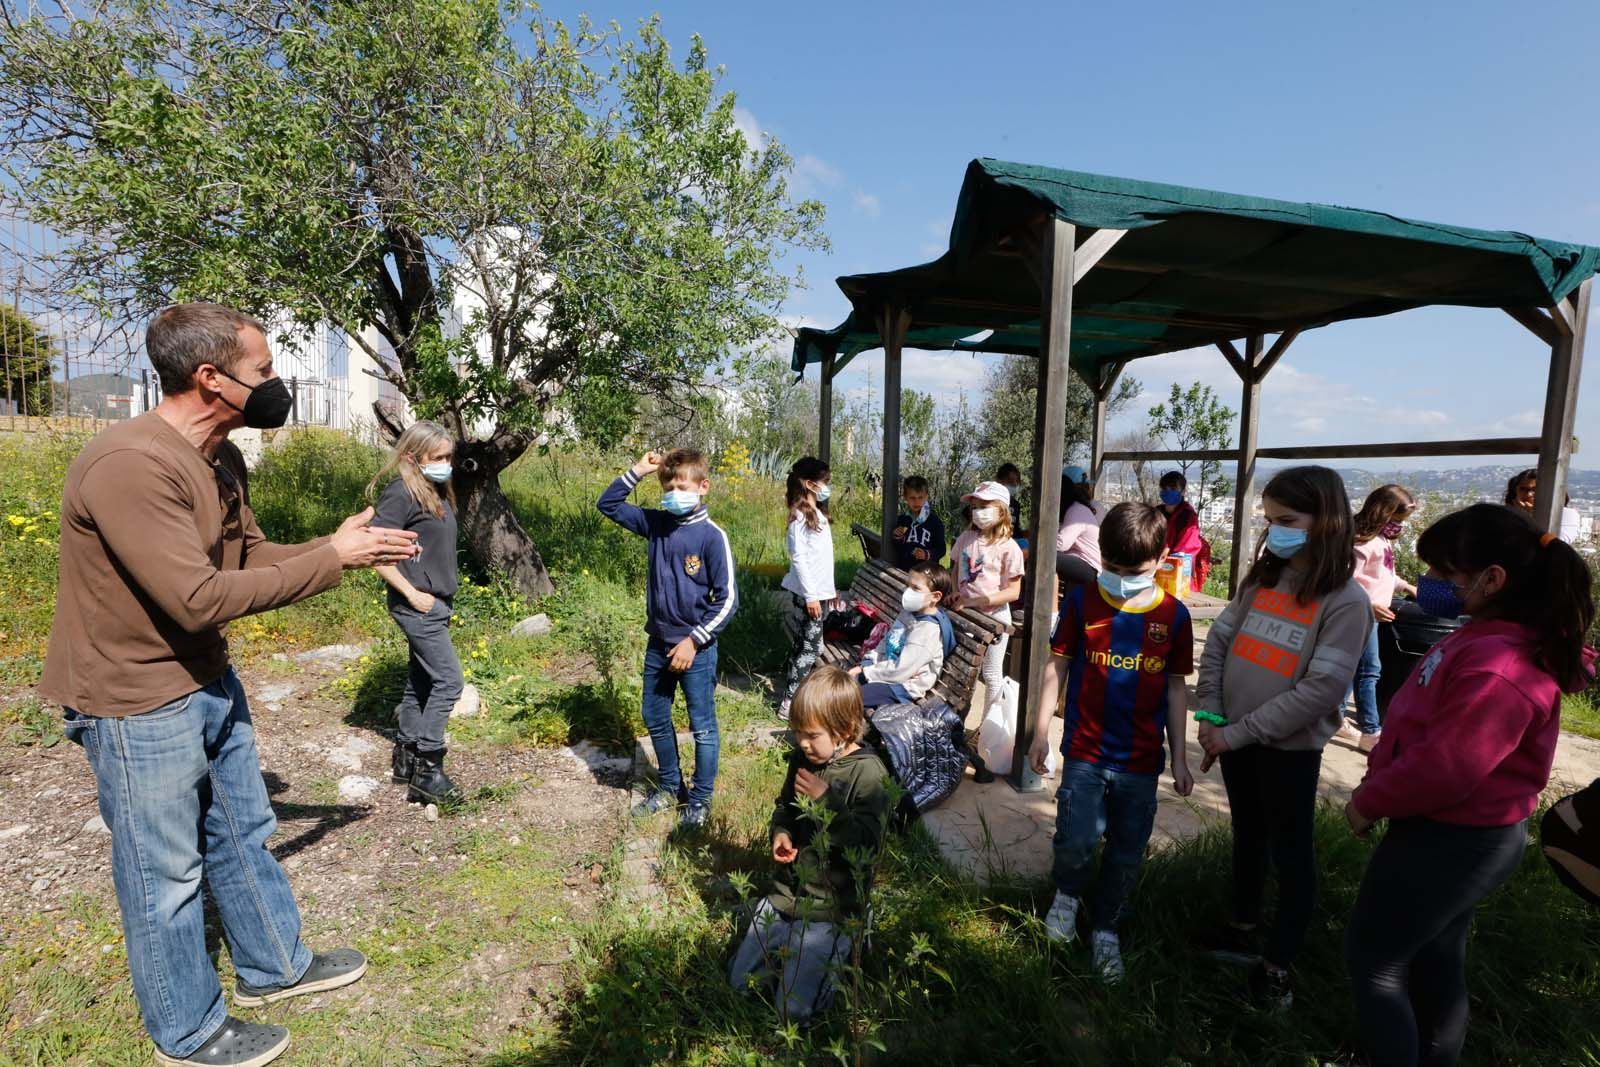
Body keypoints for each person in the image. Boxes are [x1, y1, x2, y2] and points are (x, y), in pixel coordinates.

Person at [44, 303, 417, 1067]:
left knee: (243, 830)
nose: (277, 384)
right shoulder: (130, 466)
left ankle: (274, 966)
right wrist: (332, 559)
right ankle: (186, 1029)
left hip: (206, 676)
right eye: (265, 371)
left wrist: (340, 547)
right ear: (209, 378)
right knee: (165, 871)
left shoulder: (221, 460)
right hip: (136, 698)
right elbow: (196, 596)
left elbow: (243, 560)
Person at [1343, 504, 1594, 1067]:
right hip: (1452, 833)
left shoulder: (1500, 667)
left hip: (1453, 839)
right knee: (1434, 956)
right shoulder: (1484, 636)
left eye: (1443, 574)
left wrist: (1369, 801)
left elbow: (1449, 766)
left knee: (1375, 960)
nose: (1430, 585)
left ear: (1492, 578)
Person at [1193, 465, 1370, 1011]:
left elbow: (1319, 693)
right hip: (1235, 742)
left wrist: (1237, 733)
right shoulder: (1261, 581)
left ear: (1328, 521)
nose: (1276, 532)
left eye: (1287, 520)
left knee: (1293, 857)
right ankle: (1241, 925)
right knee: (1248, 833)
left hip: (1285, 751)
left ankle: (1277, 968)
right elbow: (1219, 644)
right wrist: (1211, 715)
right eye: (1269, 521)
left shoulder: (1344, 602)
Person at [1026, 503, 1195, 981]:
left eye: (1133, 570)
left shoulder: (1173, 616)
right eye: (1113, 568)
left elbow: (1176, 688)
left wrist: (1180, 758)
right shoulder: (1083, 602)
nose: (1120, 578)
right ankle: (1067, 895)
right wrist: (1041, 732)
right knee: (1076, 839)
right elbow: (1056, 666)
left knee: (1126, 849)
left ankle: (1107, 927)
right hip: (1084, 751)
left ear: (1162, 557)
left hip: (1141, 763)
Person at [728, 666, 892, 1024]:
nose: (802, 742)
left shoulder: (868, 775)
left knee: (793, 1011)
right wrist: (781, 834)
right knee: (739, 984)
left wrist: (827, 802)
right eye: (798, 731)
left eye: (811, 735)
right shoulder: (804, 758)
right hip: (788, 893)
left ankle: (850, 941)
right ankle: (790, 952)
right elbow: (785, 808)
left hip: (833, 905)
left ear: (845, 730)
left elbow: (867, 843)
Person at [598, 449, 738, 828]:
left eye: (683, 485)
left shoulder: (712, 537)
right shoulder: (657, 524)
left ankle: (700, 800)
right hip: (658, 644)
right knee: (655, 716)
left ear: (703, 487)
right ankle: (670, 787)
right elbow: (608, 504)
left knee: (702, 726)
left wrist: (694, 641)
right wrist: (639, 471)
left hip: (696, 648)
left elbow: (727, 601)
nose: (675, 491)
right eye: (669, 485)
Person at [369, 420, 465, 804]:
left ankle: (406, 758)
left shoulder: (435, 490)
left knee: (421, 682)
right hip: (419, 604)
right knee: (450, 682)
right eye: (437, 457)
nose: (445, 463)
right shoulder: (402, 493)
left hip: (435, 602)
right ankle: (429, 767)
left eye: (448, 456)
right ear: (413, 457)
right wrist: (412, 593)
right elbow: (375, 552)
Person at [1339, 485, 1419, 752]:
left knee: (1355, 670)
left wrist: (1406, 587)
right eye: (1396, 520)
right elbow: (1345, 581)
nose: (1398, 526)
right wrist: (1369, 604)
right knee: (1370, 671)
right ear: (1383, 513)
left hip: (1369, 615)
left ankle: (1335, 716)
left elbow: (1382, 575)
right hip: (1361, 615)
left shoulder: (1379, 540)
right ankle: (1371, 730)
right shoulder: (1363, 544)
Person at [950, 480, 1025, 725]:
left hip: (994, 620)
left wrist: (979, 600)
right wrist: (954, 591)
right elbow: (955, 569)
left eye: (986, 505)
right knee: (961, 672)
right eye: (976, 505)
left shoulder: (1009, 547)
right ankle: (956, 722)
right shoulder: (965, 538)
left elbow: (1013, 591)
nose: (979, 511)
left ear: (1001, 510)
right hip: (965, 615)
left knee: (991, 674)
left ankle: (985, 729)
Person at [775, 456, 836, 720]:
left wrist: (829, 592)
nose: (827, 487)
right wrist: (812, 596)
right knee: (811, 648)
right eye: (824, 482)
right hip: (808, 594)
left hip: (818, 593)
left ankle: (792, 690)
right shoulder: (800, 516)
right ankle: (790, 701)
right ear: (810, 484)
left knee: (805, 642)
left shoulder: (817, 513)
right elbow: (799, 558)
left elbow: (822, 558)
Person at [848, 563, 955, 708]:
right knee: (839, 687)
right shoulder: (909, 611)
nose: (908, 592)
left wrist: (866, 672)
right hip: (886, 670)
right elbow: (888, 640)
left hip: (902, 686)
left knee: (848, 699)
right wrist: (867, 663)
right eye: (908, 585)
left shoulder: (928, 631)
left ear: (935, 597)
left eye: (916, 588)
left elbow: (901, 671)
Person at [1157, 470, 1211, 592]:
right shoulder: (1156, 513)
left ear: (1183, 491)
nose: (1168, 492)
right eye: (1165, 488)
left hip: (1179, 577)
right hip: (1154, 572)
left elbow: (1185, 551)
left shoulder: (1188, 517)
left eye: (1173, 488)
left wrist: (1162, 558)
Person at [1506, 467, 1584, 542]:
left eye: (1535, 489)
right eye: (1523, 489)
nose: (1528, 494)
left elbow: (1557, 543)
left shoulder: (1566, 514)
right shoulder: (1506, 514)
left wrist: (1531, 516)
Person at [1056, 465, 1101, 587]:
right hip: (1083, 562)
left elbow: (1061, 544)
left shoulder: (1076, 510)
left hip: (1091, 567)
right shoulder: (1078, 508)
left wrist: (1035, 547)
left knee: (1048, 557)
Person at [891, 475, 946, 569]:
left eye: (920, 497)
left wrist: (926, 554)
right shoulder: (902, 520)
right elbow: (898, 548)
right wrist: (897, 537)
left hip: (925, 573)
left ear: (926, 497)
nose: (916, 501)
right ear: (905, 497)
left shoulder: (935, 522)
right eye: (912, 498)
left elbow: (941, 549)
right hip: (904, 570)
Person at [996, 462, 1024, 533]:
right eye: (1010, 481)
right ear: (999, 481)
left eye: (1016, 481)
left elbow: (1016, 530)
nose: (1014, 484)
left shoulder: (1016, 505)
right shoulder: (990, 500)